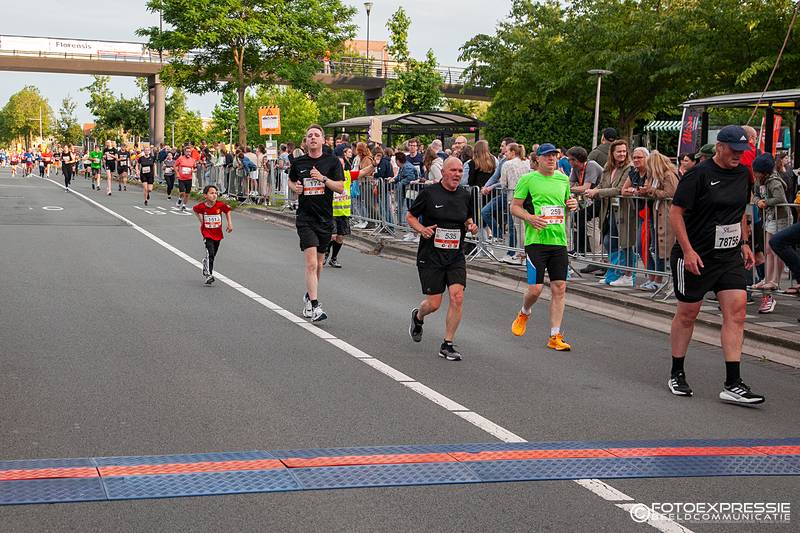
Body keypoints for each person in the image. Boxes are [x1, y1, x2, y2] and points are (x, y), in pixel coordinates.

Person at [668, 125, 763, 405]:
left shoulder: (744, 174)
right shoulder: (698, 175)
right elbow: (675, 213)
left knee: (737, 312)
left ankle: (733, 383)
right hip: (696, 256)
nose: (738, 155)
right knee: (688, 313)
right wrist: (688, 251)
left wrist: (744, 242)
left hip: (728, 256)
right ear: (719, 147)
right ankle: (676, 372)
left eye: (742, 151)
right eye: (734, 150)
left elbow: (740, 210)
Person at [407, 157, 478, 361]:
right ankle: (418, 316)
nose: (457, 174)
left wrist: (471, 226)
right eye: (453, 170)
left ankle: (447, 344)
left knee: (457, 296)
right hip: (431, 256)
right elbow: (410, 216)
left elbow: (468, 218)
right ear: (444, 172)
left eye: (460, 171)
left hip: (455, 255)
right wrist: (422, 229)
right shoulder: (429, 193)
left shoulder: (465, 195)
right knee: (434, 304)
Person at [509, 144, 579, 350]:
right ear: (537, 159)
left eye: (554, 156)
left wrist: (572, 205)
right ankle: (524, 312)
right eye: (547, 156)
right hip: (536, 241)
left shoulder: (563, 179)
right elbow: (514, 207)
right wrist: (530, 218)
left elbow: (566, 205)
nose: (551, 159)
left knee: (559, 287)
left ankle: (554, 336)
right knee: (536, 289)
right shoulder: (528, 179)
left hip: (558, 241)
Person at [288, 124, 345, 322]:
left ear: (322, 140)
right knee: (311, 263)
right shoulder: (299, 162)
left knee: (319, 264)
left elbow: (340, 187)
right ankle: (315, 305)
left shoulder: (332, 161)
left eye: (316, 135)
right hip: (305, 218)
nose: (313, 138)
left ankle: (309, 296)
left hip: (325, 219)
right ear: (306, 141)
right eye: (309, 135)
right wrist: (295, 188)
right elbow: (291, 180)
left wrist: (323, 178)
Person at [585, 139, 633, 285]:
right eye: (619, 151)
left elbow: (618, 189)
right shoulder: (608, 166)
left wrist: (597, 192)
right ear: (612, 153)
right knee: (608, 240)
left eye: (624, 151)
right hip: (609, 208)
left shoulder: (629, 168)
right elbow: (602, 184)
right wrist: (593, 190)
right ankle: (613, 272)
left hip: (623, 210)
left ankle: (627, 274)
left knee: (624, 242)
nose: (622, 154)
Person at [751, 153, 793, 313]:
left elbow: (780, 198)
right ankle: (767, 278)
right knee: (768, 250)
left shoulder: (774, 182)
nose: (755, 174)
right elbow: (755, 196)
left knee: (777, 250)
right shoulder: (759, 182)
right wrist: (758, 202)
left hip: (781, 218)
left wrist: (766, 202)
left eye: (757, 171)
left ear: (764, 172)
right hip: (770, 218)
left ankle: (774, 280)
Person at [568, 146, 604, 262]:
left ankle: (597, 258)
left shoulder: (591, 165)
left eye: (570, 159)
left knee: (592, 226)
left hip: (602, 199)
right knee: (579, 218)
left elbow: (585, 187)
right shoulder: (576, 168)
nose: (569, 162)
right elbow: (569, 184)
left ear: (577, 160)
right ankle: (580, 249)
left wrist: (570, 189)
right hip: (592, 199)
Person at [193, 185, 233, 285]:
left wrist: (229, 224)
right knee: (210, 253)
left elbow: (227, 211)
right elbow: (195, 210)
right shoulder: (202, 206)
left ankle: (205, 263)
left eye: (215, 193)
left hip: (218, 234)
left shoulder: (220, 205)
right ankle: (209, 275)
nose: (214, 195)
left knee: (213, 255)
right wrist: (201, 220)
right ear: (205, 195)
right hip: (207, 234)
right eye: (211, 193)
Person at [175, 146, 197, 210]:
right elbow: (175, 165)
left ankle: (184, 205)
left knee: (187, 194)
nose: (188, 153)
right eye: (187, 151)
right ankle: (180, 199)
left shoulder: (193, 160)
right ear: (184, 152)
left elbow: (195, 168)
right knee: (182, 192)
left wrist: (194, 170)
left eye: (189, 152)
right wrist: (177, 173)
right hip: (181, 178)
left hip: (189, 178)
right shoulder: (180, 158)